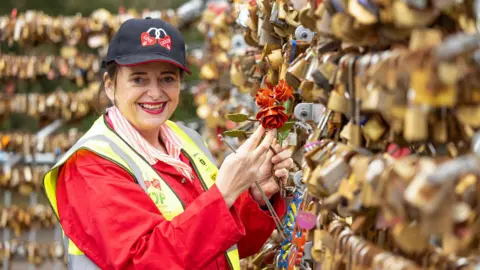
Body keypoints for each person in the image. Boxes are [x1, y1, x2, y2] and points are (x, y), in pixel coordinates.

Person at [43, 17, 293, 270]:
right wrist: (224, 194)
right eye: (138, 79)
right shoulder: (90, 165)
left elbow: (222, 245)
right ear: (110, 86)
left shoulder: (184, 140)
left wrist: (256, 196)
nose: (155, 93)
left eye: (167, 79)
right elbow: (145, 262)